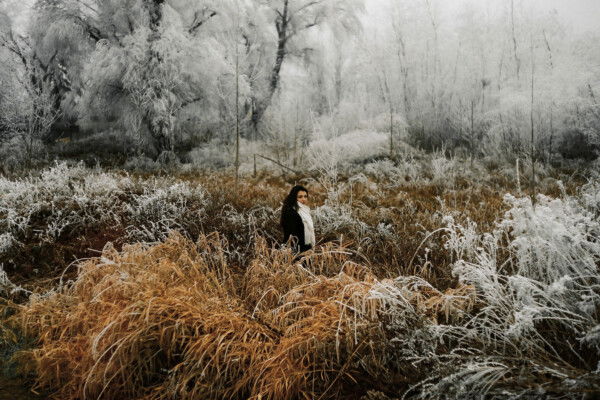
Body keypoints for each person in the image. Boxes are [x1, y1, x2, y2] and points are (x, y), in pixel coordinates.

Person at [280, 185, 315, 253]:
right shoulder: (290, 211)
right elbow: (291, 233)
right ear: (294, 197)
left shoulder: (304, 210)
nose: (303, 199)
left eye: (305, 196)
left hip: (304, 246)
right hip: (295, 249)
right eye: (300, 197)